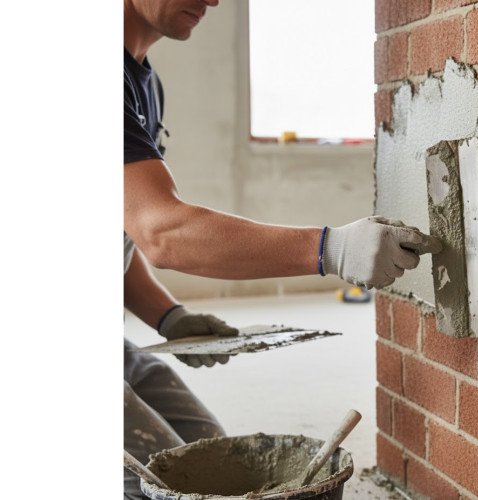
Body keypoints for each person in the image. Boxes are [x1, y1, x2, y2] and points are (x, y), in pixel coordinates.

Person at [123, 1, 440, 497]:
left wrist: (169, 316)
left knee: (214, 460)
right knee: (161, 486)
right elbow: (161, 232)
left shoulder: (144, 83)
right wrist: (332, 249)